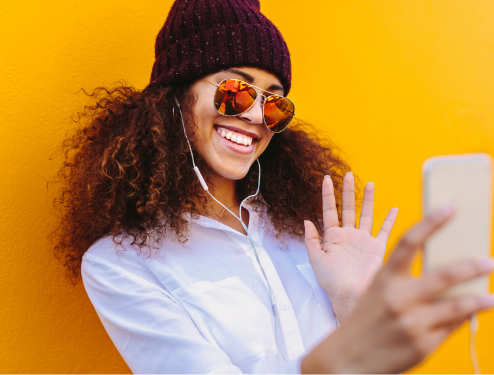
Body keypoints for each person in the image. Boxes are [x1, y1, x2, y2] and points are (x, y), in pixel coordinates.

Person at [53, 0, 494, 373]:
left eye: (274, 101)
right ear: (174, 95)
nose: (255, 116)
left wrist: (353, 303)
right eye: (236, 90)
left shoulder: (311, 235)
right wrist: (339, 356)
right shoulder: (119, 263)